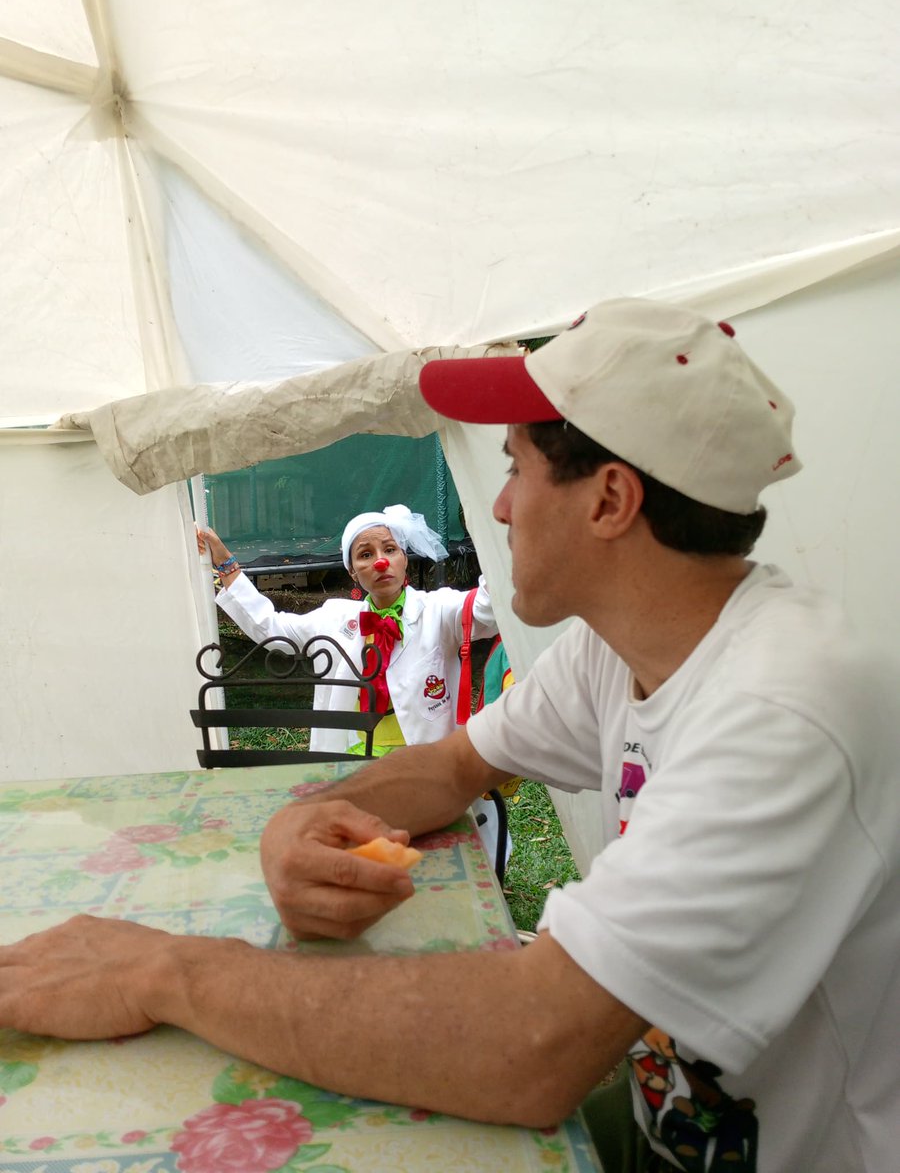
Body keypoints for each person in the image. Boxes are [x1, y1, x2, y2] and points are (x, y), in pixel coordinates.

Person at [1, 299, 897, 1173]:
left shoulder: (780, 710)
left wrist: (164, 973)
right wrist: (304, 819)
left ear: (609, 501)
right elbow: (457, 763)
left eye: (516, 469)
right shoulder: (623, 647)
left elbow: (530, 1043)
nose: (499, 508)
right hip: (673, 1121)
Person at [197, 503, 506, 859]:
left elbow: (490, 607)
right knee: (362, 853)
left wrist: (495, 533)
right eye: (365, 554)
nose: (380, 562)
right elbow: (272, 627)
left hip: (424, 771)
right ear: (352, 571)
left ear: (404, 559)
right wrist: (226, 565)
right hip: (354, 765)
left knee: (428, 855)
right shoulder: (335, 618)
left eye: (389, 549)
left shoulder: (439, 609)